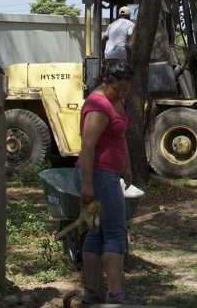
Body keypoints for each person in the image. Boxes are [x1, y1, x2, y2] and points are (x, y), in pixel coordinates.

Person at [73, 61, 146, 305]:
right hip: (98, 176)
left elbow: (120, 134)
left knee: (97, 232)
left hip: (109, 174)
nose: (122, 94)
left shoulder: (116, 99)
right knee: (115, 232)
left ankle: (92, 292)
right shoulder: (98, 105)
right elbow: (87, 146)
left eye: (126, 90)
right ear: (105, 82)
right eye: (117, 90)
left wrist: (126, 166)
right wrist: (88, 183)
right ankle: (115, 294)